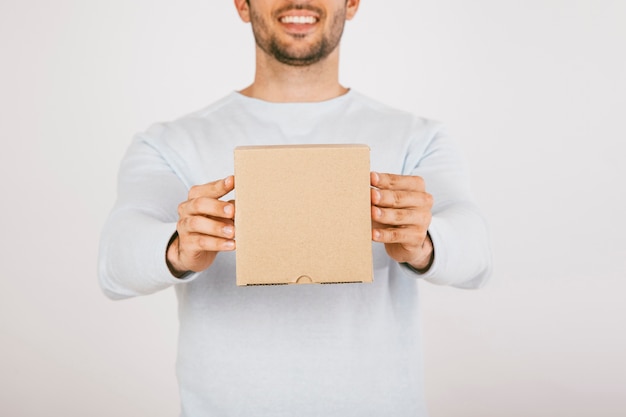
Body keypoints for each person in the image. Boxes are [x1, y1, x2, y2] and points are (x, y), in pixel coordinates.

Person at [98, 0, 492, 415]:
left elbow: (478, 257)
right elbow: (114, 264)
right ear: (241, 4)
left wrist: (424, 243)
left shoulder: (418, 138)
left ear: (352, 3)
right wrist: (177, 248)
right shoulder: (169, 144)